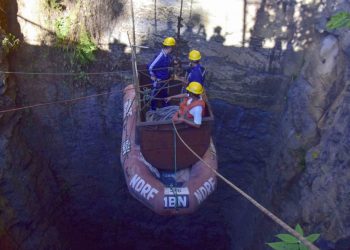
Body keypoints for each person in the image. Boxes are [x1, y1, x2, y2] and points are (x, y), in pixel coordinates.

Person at [148, 37, 176, 110]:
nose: (172, 49)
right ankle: (153, 109)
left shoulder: (167, 56)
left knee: (164, 92)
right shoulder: (160, 56)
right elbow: (150, 67)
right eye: (172, 47)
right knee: (154, 94)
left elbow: (166, 64)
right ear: (169, 47)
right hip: (158, 80)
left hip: (164, 80)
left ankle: (165, 106)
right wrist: (153, 76)